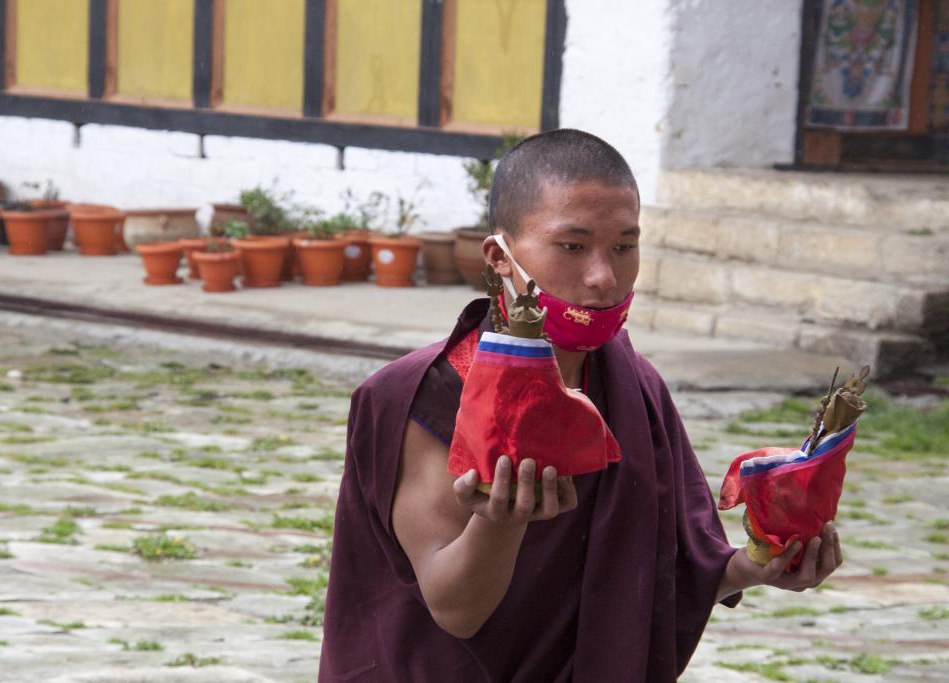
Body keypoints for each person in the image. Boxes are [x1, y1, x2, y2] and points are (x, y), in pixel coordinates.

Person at [319, 129, 842, 682]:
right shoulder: (427, 393)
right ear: (500, 256)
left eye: (624, 246)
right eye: (572, 246)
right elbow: (455, 610)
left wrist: (759, 564)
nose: (603, 277)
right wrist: (501, 525)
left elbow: (662, 579)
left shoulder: (632, 384)